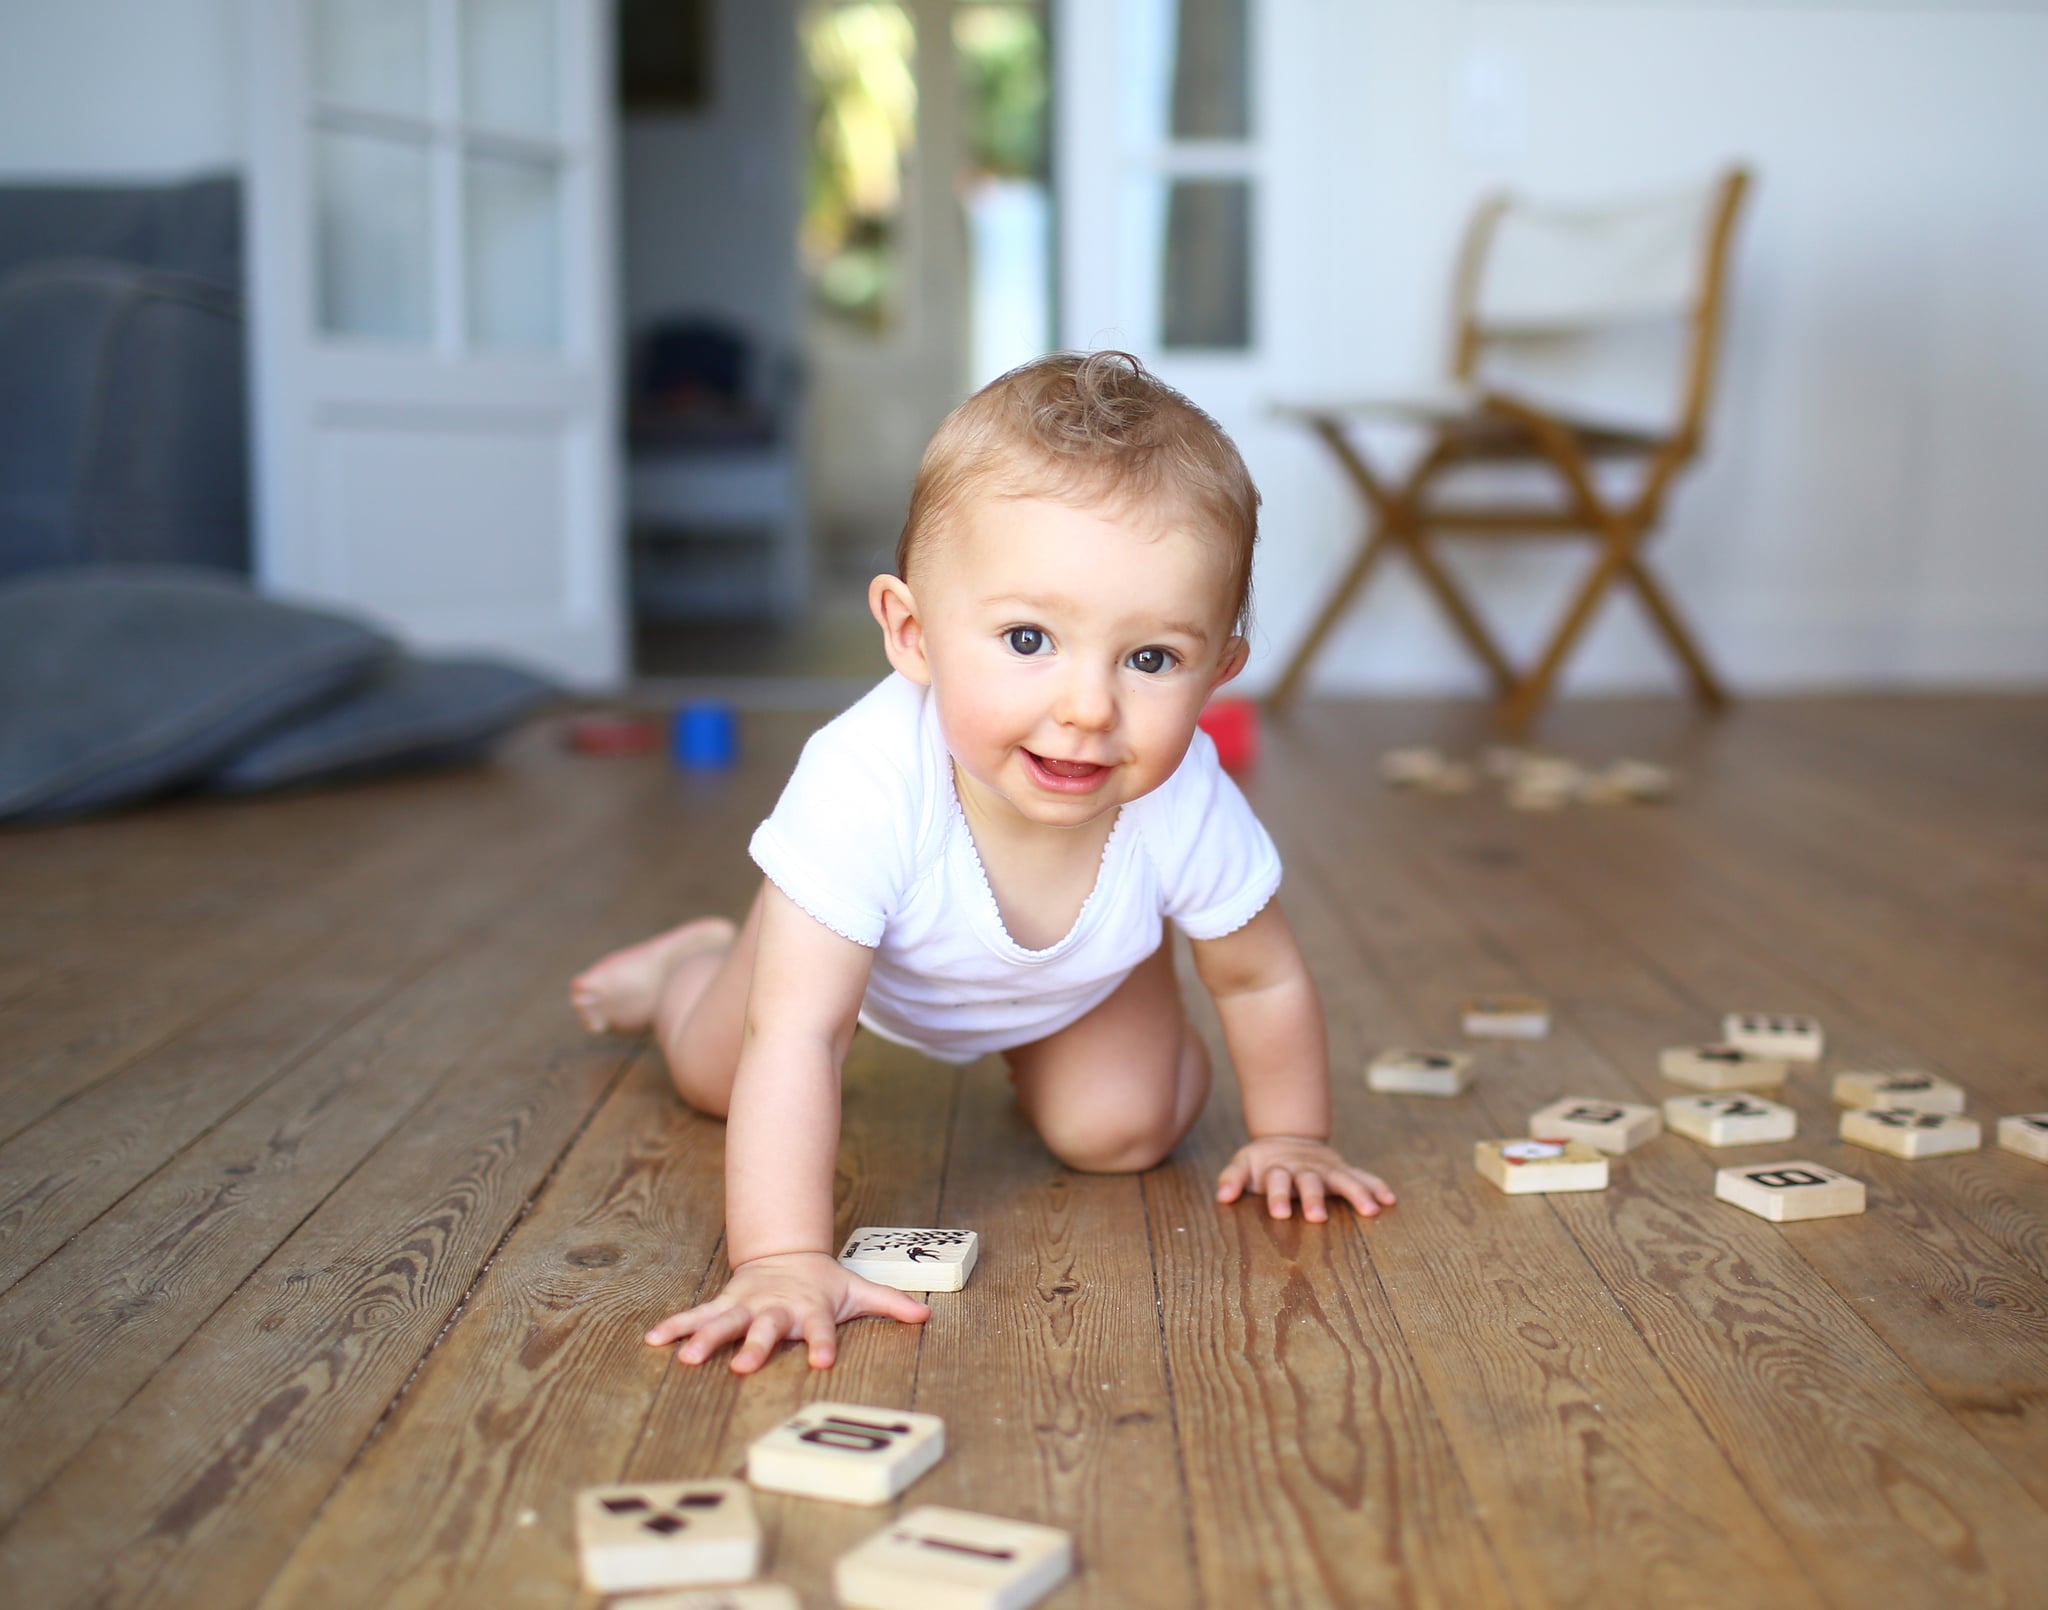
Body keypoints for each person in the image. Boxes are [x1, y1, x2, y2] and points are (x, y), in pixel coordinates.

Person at [570, 351, 1395, 1375]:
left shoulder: (1180, 794)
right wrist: (782, 1257)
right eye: (1026, 637)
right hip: (851, 967)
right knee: (716, 1072)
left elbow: (1258, 972)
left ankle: (1114, 961)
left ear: (1219, 668)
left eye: (1149, 660)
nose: (1088, 707)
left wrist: (1293, 1135)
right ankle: (680, 969)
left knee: (1124, 1130)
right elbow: (800, 1032)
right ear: (911, 633)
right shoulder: (862, 782)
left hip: (1068, 973)